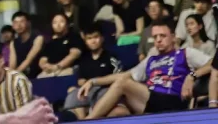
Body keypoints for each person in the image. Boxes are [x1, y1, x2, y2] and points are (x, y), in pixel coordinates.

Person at [79, 20, 212, 118]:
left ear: (173, 36)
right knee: (118, 112)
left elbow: (214, 62)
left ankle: (87, 121)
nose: (158, 40)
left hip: (172, 101)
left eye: (163, 36)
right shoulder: (151, 60)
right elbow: (125, 75)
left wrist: (192, 75)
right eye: (155, 37)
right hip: (151, 101)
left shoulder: (185, 53)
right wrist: (93, 81)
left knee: (122, 83)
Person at [61, 23, 122, 120]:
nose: (93, 41)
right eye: (89, 38)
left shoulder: (111, 57)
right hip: (88, 93)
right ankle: (83, 120)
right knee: (72, 90)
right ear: (85, 41)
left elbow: (118, 79)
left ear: (102, 38)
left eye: (96, 37)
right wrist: (85, 84)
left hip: (106, 92)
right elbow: (80, 80)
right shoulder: (83, 59)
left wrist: (96, 82)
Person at [8, 12, 42, 77]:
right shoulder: (13, 43)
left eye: (22, 21)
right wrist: (11, 75)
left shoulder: (38, 38)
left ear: (28, 23)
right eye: (15, 22)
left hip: (38, 75)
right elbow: (12, 65)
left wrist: (14, 75)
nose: (19, 25)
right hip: (20, 76)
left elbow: (28, 60)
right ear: (13, 26)